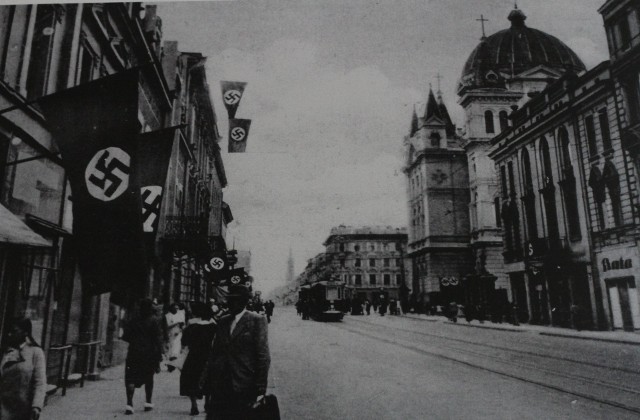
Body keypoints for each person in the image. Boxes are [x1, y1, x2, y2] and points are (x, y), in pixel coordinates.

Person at [202, 284, 270, 420]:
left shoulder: (256, 320)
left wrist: (261, 387)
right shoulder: (223, 321)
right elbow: (215, 352)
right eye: (230, 299)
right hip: (221, 383)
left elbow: (263, 356)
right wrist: (207, 381)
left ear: (244, 301)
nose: (231, 303)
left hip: (244, 383)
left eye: (235, 300)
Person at [122, 298, 163, 415]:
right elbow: (158, 340)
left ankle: (129, 404)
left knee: (130, 378)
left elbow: (125, 337)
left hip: (134, 353)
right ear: (150, 308)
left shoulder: (133, 320)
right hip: (149, 354)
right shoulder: (154, 321)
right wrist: (159, 356)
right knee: (149, 378)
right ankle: (148, 403)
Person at [0, 317, 46, 420]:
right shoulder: (4, 351)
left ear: (25, 333)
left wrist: (36, 406)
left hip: (23, 408)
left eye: (14, 331)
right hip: (2, 407)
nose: (10, 334)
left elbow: (40, 382)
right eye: (9, 331)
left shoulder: (35, 352)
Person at [181, 303, 216, 416]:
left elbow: (184, 342)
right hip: (209, 356)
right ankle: (207, 403)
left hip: (194, 356)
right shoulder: (214, 327)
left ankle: (194, 405)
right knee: (209, 379)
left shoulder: (192, 327)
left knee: (191, 379)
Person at [165, 302, 185, 371]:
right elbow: (168, 326)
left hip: (178, 334)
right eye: (175, 308)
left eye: (177, 308)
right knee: (171, 349)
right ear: (171, 308)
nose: (177, 309)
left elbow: (182, 324)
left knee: (176, 350)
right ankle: (170, 364)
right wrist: (176, 323)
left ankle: (173, 365)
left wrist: (181, 328)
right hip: (171, 334)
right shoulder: (168, 315)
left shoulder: (180, 314)